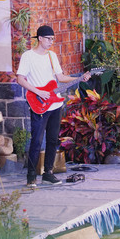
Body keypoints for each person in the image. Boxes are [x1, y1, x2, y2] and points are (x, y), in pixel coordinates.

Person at [16, 25, 90, 186]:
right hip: (39, 103)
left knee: (52, 140)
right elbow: (20, 79)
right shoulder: (28, 56)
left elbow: (61, 77)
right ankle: (31, 177)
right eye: (49, 39)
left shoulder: (52, 56)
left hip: (55, 104)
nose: (51, 42)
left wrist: (79, 78)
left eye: (52, 39)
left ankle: (48, 173)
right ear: (40, 38)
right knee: (36, 140)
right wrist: (39, 92)